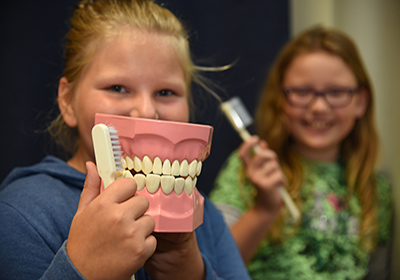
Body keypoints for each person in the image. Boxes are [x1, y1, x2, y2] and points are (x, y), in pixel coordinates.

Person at [0, 0, 250, 279]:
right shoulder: (21, 213)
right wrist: (81, 269)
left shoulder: (208, 220)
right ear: (68, 101)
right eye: (117, 88)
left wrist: (190, 271)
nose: (146, 112)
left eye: (166, 92)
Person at [209, 26, 392, 280]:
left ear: (360, 101)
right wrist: (264, 210)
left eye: (336, 92)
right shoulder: (247, 169)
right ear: (280, 100)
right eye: (302, 92)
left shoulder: (376, 190)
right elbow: (212, 266)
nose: (318, 107)